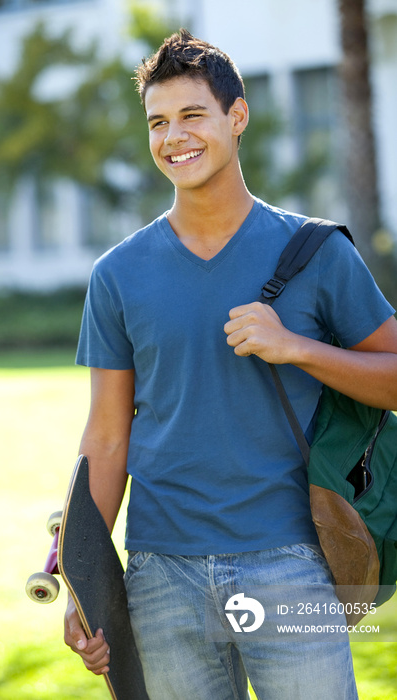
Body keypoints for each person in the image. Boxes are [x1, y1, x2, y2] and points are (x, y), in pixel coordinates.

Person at [64, 29, 397, 699]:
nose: (172, 137)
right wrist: (82, 578)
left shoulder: (315, 253)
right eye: (158, 122)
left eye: (192, 115)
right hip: (161, 571)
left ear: (236, 116)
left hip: (291, 562)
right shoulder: (118, 274)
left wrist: (296, 347)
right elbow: (106, 436)